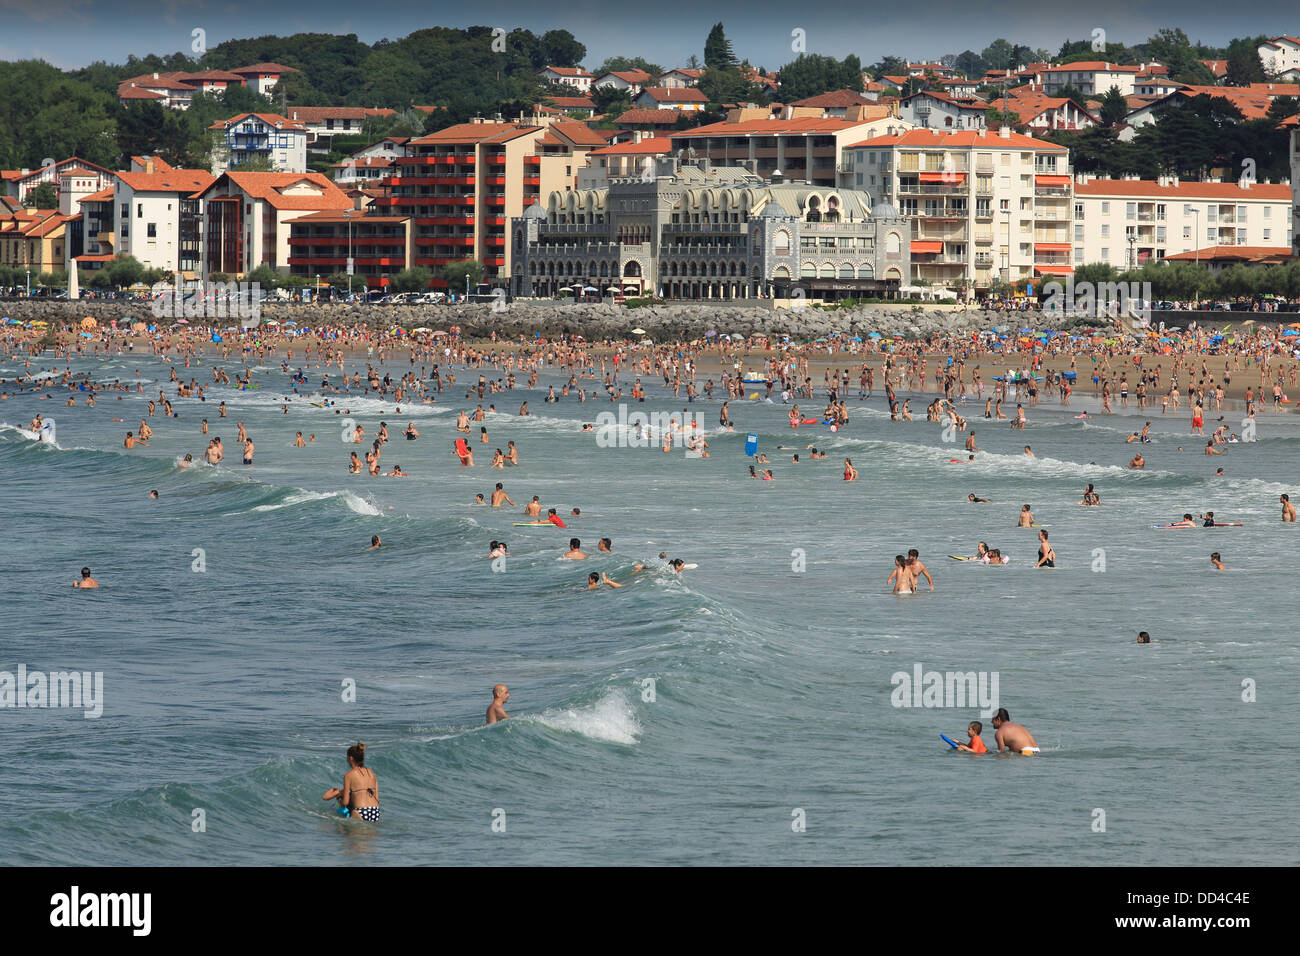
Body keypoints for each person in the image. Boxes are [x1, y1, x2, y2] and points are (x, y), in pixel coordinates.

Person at [322, 742, 380, 821]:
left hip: (360, 812)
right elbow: (376, 798)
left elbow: (345, 802)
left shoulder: (349, 775)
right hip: (375, 812)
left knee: (341, 831)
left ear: (351, 758)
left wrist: (339, 797)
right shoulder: (372, 773)